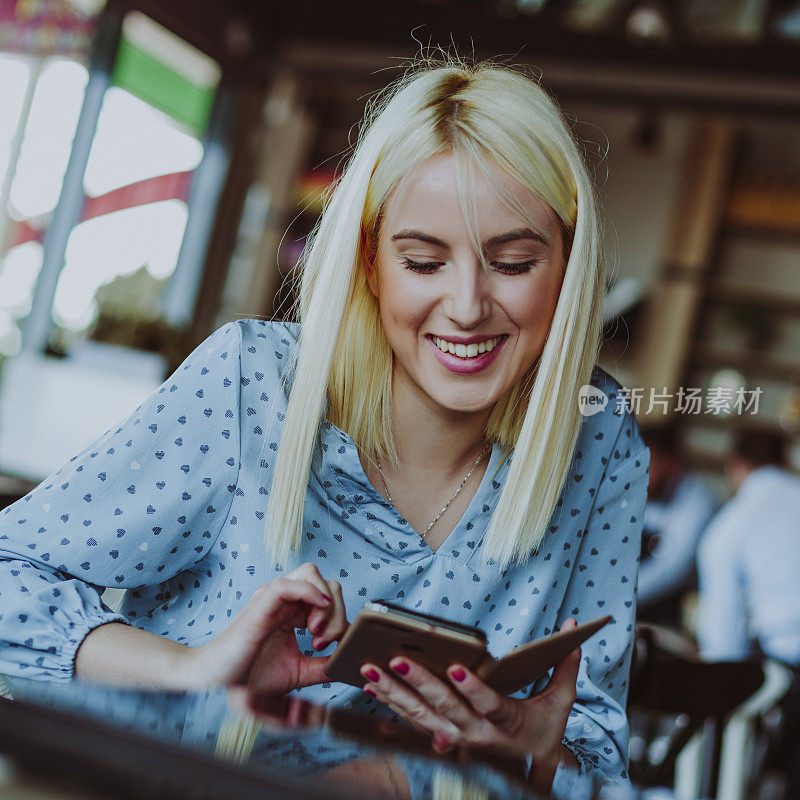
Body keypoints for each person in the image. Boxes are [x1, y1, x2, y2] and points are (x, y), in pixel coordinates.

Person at [0, 59, 649, 796]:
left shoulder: (597, 437)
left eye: (513, 261)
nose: (468, 306)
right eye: (424, 261)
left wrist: (536, 752)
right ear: (371, 262)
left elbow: (594, 755)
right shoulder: (255, 386)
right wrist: (191, 666)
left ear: (567, 263)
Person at [696, 429, 800, 799]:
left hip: (789, 666)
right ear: (786, 462)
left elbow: (722, 646)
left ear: (734, 467)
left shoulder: (731, 525)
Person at [638, 425, 717, 628]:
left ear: (671, 464)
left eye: (645, 463)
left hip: (672, 611)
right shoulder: (636, 491)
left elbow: (670, 571)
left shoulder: (697, 502)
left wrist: (615, 599)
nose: (637, 471)